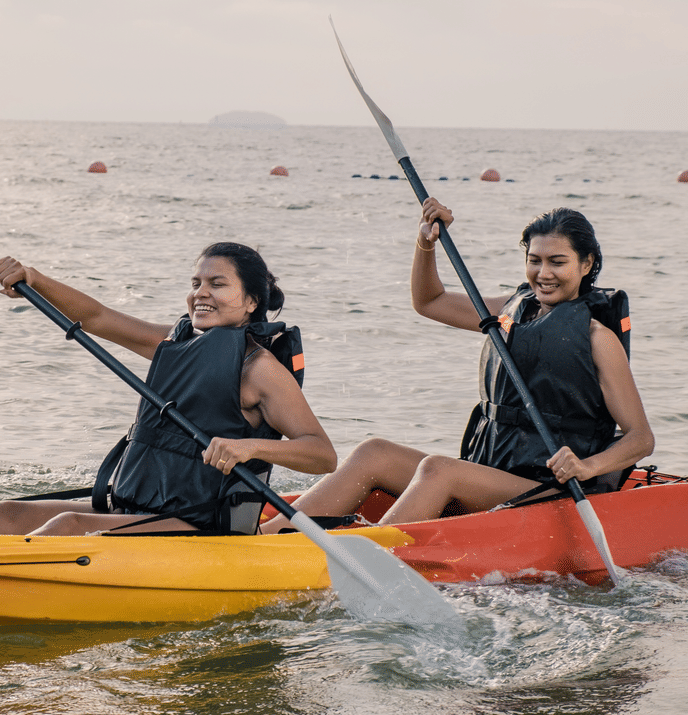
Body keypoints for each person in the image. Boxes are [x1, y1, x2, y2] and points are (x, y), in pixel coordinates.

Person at [261, 198, 654, 532]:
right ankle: (263, 539)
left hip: (549, 487)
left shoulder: (597, 338)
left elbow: (640, 438)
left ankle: (365, 556)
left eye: (558, 262)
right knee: (372, 452)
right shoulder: (510, 311)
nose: (543, 274)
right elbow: (429, 302)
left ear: (586, 265)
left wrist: (587, 467)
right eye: (534, 260)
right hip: (492, 470)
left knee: (438, 469)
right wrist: (425, 244)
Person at [0, 241, 336, 536]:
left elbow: (321, 454)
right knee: (5, 513)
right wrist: (34, 279)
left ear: (250, 302)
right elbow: (96, 317)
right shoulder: (176, 345)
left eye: (217, 284)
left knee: (68, 527)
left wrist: (249, 448)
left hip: (202, 524)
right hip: (137, 507)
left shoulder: (259, 368)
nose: (200, 294)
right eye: (195, 284)